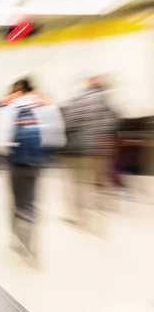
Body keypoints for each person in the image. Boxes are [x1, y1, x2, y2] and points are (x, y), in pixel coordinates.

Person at [0, 78, 66, 257]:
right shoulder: (43, 106)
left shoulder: (8, 107)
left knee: (16, 197)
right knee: (31, 198)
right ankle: (29, 231)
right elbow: (57, 138)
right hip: (36, 159)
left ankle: (17, 233)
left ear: (15, 90)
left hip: (14, 158)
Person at [61, 75, 119, 230]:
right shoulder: (108, 101)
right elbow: (113, 123)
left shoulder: (80, 98)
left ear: (89, 83)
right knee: (98, 183)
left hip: (81, 149)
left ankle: (82, 218)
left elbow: (70, 122)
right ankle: (99, 215)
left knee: (79, 184)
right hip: (102, 149)